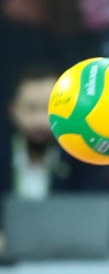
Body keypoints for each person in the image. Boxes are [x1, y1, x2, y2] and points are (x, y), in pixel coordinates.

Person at [3, 64, 73, 200]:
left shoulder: (80, 164)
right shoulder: (4, 158)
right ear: (14, 110)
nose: (40, 121)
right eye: (31, 108)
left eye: (49, 108)